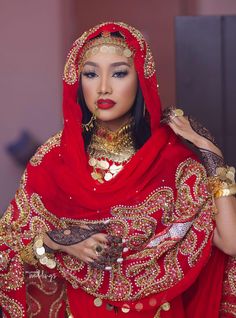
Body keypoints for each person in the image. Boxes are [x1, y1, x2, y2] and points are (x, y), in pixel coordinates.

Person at [0, 21, 236, 318]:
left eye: (120, 73)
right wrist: (59, 241)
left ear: (142, 80)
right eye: (91, 73)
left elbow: (230, 242)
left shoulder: (174, 163)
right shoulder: (51, 161)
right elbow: (9, 242)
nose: (103, 87)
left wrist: (211, 154)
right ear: (77, 81)